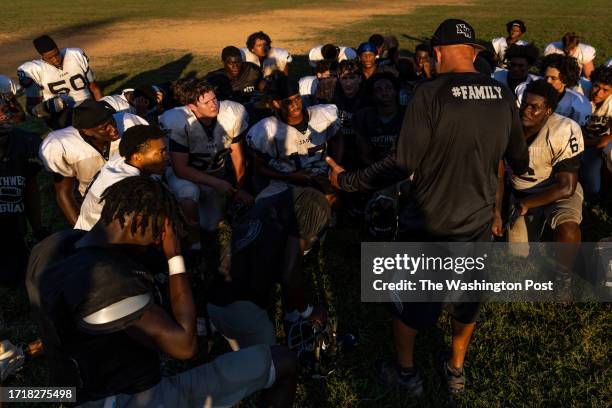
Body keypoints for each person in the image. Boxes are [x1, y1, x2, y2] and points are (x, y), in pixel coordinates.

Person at [326, 19, 529, 394]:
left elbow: (402, 162)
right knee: (467, 301)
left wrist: (347, 180)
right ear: (474, 53)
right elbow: (519, 158)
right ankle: (455, 369)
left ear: (437, 53)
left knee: (411, 302)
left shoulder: (429, 91)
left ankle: (406, 374)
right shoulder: (502, 94)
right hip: (478, 220)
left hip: (430, 220)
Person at [26, 176, 297, 407]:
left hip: (76, 386)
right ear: (139, 220)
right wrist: (174, 256)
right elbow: (184, 346)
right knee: (283, 360)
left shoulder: (53, 247)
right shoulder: (110, 279)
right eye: (161, 231)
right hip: (130, 398)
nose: (160, 240)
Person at [207, 186, 330, 349]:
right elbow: (289, 273)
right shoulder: (316, 205)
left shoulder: (272, 200)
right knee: (277, 365)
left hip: (213, 301)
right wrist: (307, 310)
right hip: (242, 310)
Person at [502, 80, 583, 298]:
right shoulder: (507, 124)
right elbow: (497, 172)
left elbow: (566, 187)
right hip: (521, 190)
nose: (526, 110)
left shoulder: (563, 130)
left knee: (567, 227)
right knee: (517, 255)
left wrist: (526, 204)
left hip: (555, 188)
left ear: (548, 111)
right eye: (524, 104)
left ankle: (563, 277)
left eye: (534, 107)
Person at [159, 78, 251, 249]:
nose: (213, 105)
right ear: (192, 107)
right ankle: (194, 247)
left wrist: (238, 189)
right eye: (206, 102)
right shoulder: (178, 120)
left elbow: (238, 157)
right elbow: (180, 169)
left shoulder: (232, 113)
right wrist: (218, 184)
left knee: (210, 225)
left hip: (215, 172)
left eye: (214, 99)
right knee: (189, 194)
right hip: (186, 176)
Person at [39, 100, 147, 225]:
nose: (113, 129)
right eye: (104, 127)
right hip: (95, 204)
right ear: (87, 131)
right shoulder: (62, 146)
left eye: (112, 121)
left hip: (137, 194)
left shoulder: (129, 123)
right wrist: (81, 230)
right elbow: (64, 192)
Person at [247, 75, 341, 205]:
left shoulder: (323, 114)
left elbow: (338, 139)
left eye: (297, 98)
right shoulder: (265, 130)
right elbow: (259, 168)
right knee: (263, 205)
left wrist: (335, 167)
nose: (295, 105)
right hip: (285, 181)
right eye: (288, 102)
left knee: (332, 200)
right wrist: (290, 176)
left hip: (321, 175)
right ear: (276, 103)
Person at [75, 125, 169, 231]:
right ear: (137, 156)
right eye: (161, 152)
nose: (167, 157)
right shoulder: (128, 187)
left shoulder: (123, 158)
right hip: (101, 239)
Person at [0, 97, 46, 286]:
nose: (5, 115)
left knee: (18, 278)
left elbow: (30, 189)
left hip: (14, 230)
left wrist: (37, 228)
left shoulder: (22, 141)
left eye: (4, 110)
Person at [17, 35, 102, 130]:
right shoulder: (33, 70)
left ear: (58, 48)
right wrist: (46, 108)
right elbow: (31, 107)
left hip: (86, 105)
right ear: (42, 56)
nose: (55, 59)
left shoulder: (75, 55)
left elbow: (94, 88)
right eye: (50, 58)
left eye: (56, 54)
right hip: (61, 114)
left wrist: (101, 105)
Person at [581, 65, 612, 201]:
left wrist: (600, 142)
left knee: (593, 189)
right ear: (591, 83)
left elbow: (607, 139)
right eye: (596, 86)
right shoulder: (579, 90)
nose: (599, 93)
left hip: (596, 143)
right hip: (574, 138)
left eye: (605, 90)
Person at [540, 54, 592, 126]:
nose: (548, 81)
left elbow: (579, 132)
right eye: (546, 77)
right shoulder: (533, 91)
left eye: (553, 78)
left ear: (565, 80)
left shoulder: (578, 104)